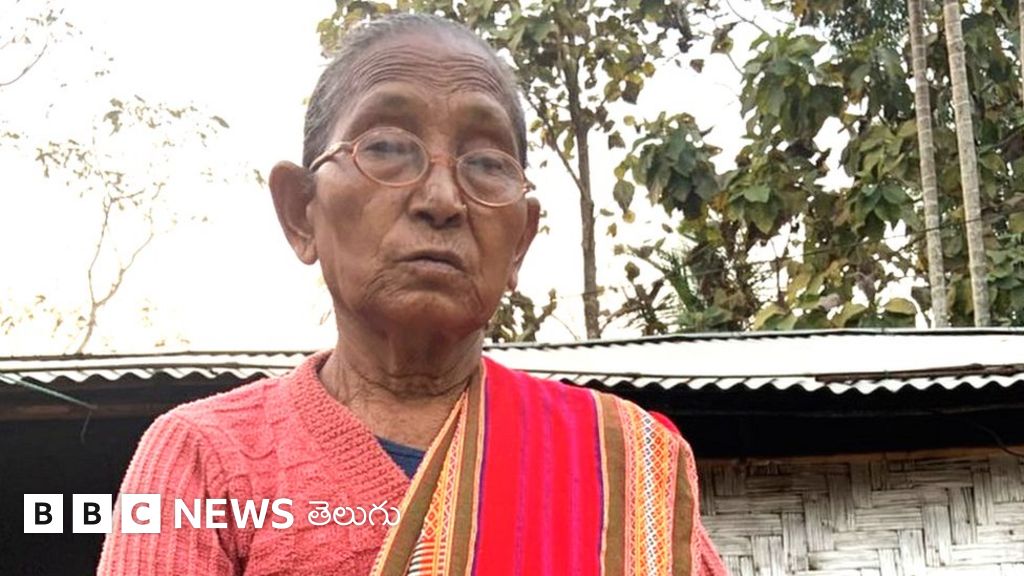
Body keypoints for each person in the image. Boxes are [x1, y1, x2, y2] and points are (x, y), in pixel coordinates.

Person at [98, 13, 725, 576]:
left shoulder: (625, 463)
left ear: (520, 242)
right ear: (300, 212)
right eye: (387, 148)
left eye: (487, 163)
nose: (442, 200)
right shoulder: (204, 457)